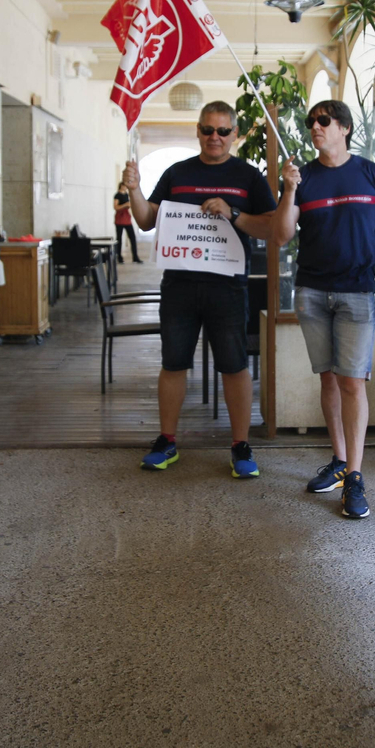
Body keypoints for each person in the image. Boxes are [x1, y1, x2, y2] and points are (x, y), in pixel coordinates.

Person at [122, 102, 294, 476]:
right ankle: (167, 441)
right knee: (173, 363)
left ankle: (240, 446)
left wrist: (233, 214)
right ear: (197, 131)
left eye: (222, 131)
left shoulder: (247, 177)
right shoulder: (177, 173)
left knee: (234, 367)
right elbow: (148, 219)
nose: (214, 137)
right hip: (179, 285)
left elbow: (270, 229)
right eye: (207, 130)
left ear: (235, 134)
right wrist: (134, 190)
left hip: (228, 287)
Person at [272, 100, 375, 519]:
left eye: (324, 120)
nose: (315, 126)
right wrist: (290, 188)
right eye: (311, 121)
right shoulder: (303, 177)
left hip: (356, 294)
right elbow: (281, 236)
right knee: (328, 379)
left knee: (352, 383)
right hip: (311, 293)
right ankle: (338, 460)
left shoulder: (372, 174)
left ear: (345, 128)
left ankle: (354, 475)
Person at [113, 178, 141, 263]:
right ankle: (119, 257)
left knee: (132, 238)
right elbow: (115, 207)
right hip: (120, 219)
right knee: (119, 239)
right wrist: (125, 205)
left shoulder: (126, 195)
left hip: (127, 218)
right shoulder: (117, 195)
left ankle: (135, 257)